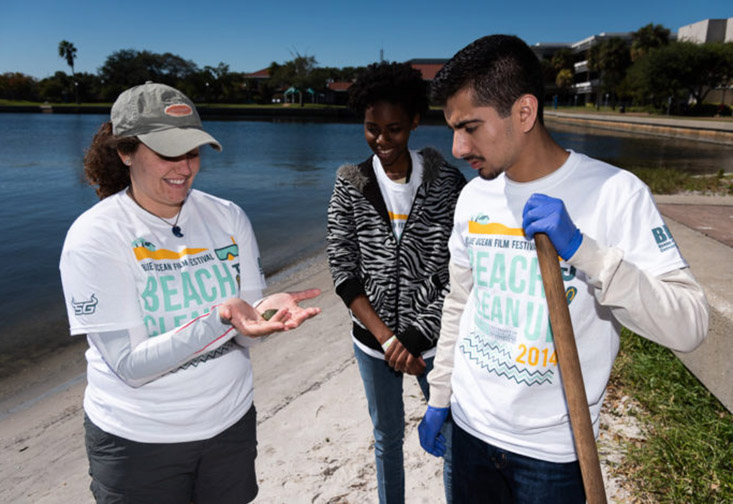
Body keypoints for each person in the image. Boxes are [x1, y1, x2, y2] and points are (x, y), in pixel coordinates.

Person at [417, 35, 709, 503]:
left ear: (525, 112)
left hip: (556, 451)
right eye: (452, 128)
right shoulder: (473, 197)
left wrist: (585, 251)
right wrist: (440, 396)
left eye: (470, 126)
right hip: (469, 431)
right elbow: (460, 302)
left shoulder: (617, 194)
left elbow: (690, 324)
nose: (456, 147)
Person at [59, 82, 321, 504]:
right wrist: (219, 319)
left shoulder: (228, 217)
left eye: (192, 151)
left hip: (230, 425)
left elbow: (244, 322)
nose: (184, 166)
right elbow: (130, 366)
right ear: (125, 152)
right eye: (167, 152)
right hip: (140, 441)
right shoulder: (96, 236)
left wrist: (263, 314)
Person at [327, 61, 466, 503]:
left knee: (449, 437)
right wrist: (388, 339)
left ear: (415, 123)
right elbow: (342, 269)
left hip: (433, 341)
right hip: (373, 343)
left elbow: (457, 271)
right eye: (372, 129)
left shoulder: (447, 183)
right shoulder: (350, 182)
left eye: (394, 129)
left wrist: (415, 334)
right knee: (386, 437)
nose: (382, 141)